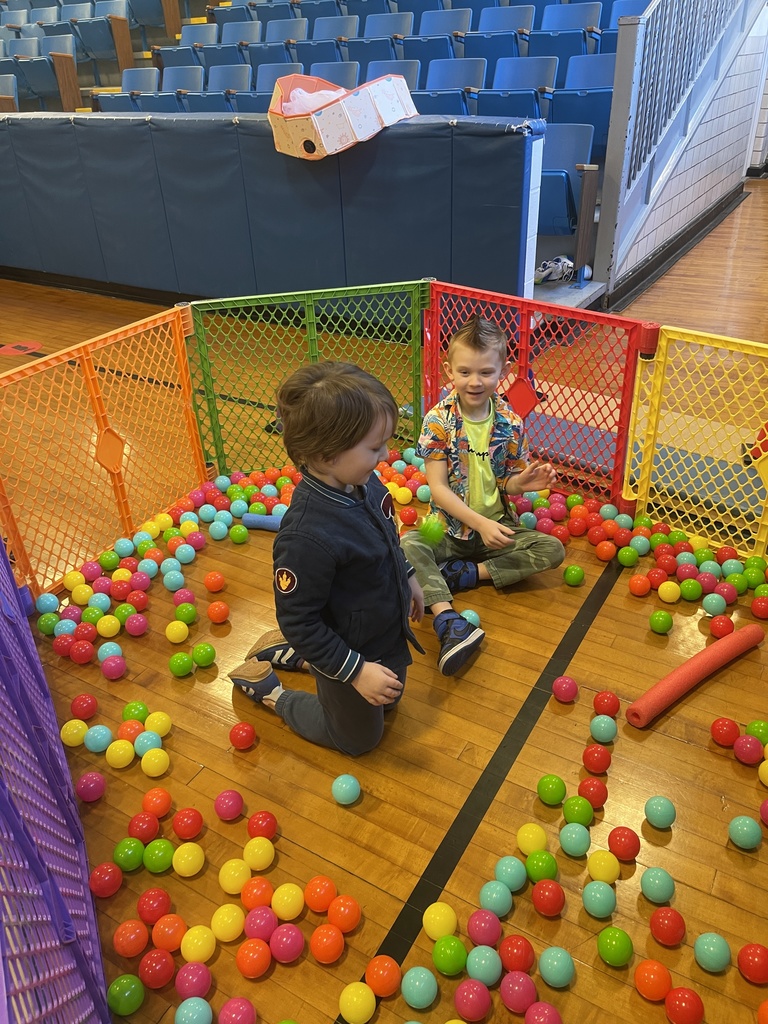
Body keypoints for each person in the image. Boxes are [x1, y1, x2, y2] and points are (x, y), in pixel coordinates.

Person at [228, 361, 425, 757]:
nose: (386, 454)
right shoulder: (305, 537)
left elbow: (386, 535)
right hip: (349, 646)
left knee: (390, 702)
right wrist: (355, 670)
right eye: (374, 447)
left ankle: (298, 657)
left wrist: (407, 575)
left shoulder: (363, 481)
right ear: (326, 454)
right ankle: (273, 693)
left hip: (381, 632)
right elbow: (299, 620)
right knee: (357, 740)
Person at [400, 314, 565, 675]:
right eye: (465, 372)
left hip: (496, 529)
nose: (475, 381)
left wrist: (522, 484)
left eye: (486, 372)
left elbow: (506, 481)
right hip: (449, 530)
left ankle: (467, 574)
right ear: (449, 370)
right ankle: (447, 619)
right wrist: (480, 524)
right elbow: (438, 489)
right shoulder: (438, 421)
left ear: (503, 370)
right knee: (407, 545)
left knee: (552, 549)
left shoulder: (510, 422)